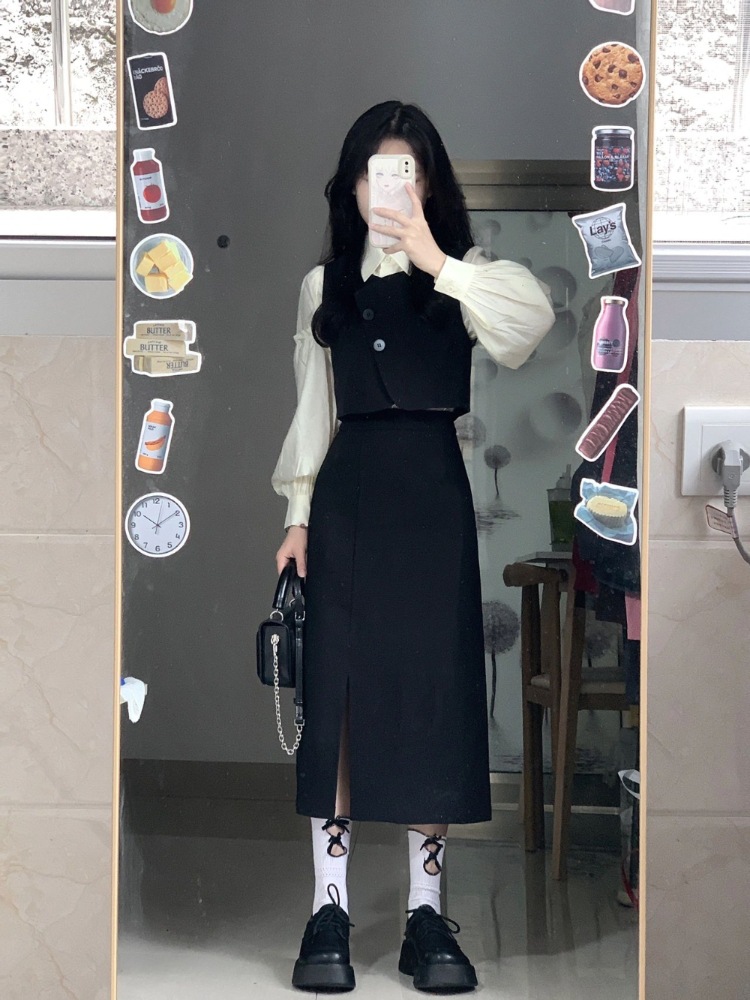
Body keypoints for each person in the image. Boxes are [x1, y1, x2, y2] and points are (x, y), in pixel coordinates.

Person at [272, 100, 555, 994]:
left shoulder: (469, 276)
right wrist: (296, 517)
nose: (388, 188)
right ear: (351, 185)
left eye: (407, 172)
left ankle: (426, 917)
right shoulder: (323, 287)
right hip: (349, 496)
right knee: (339, 698)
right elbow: (312, 408)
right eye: (374, 172)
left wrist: (437, 261)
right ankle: (328, 909)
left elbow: (529, 327)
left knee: (431, 696)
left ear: (428, 185)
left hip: (433, 496)